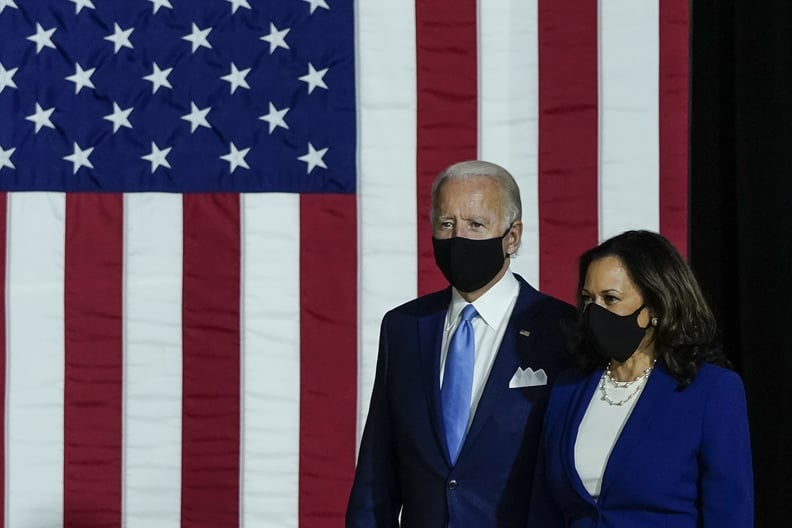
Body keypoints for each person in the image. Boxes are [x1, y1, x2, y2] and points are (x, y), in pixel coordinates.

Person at [346, 160, 576, 527]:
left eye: (476, 225)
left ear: (512, 237)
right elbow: (378, 469)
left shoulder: (564, 330)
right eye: (447, 224)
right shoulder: (404, 327)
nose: (458, 238)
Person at [531, 230, 754, 527]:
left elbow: (730, 514)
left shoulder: (712, 390)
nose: (595, 312)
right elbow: (544, 510)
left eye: (611, 299)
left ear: (655, 307)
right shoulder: (569, 387)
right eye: (588, 299)